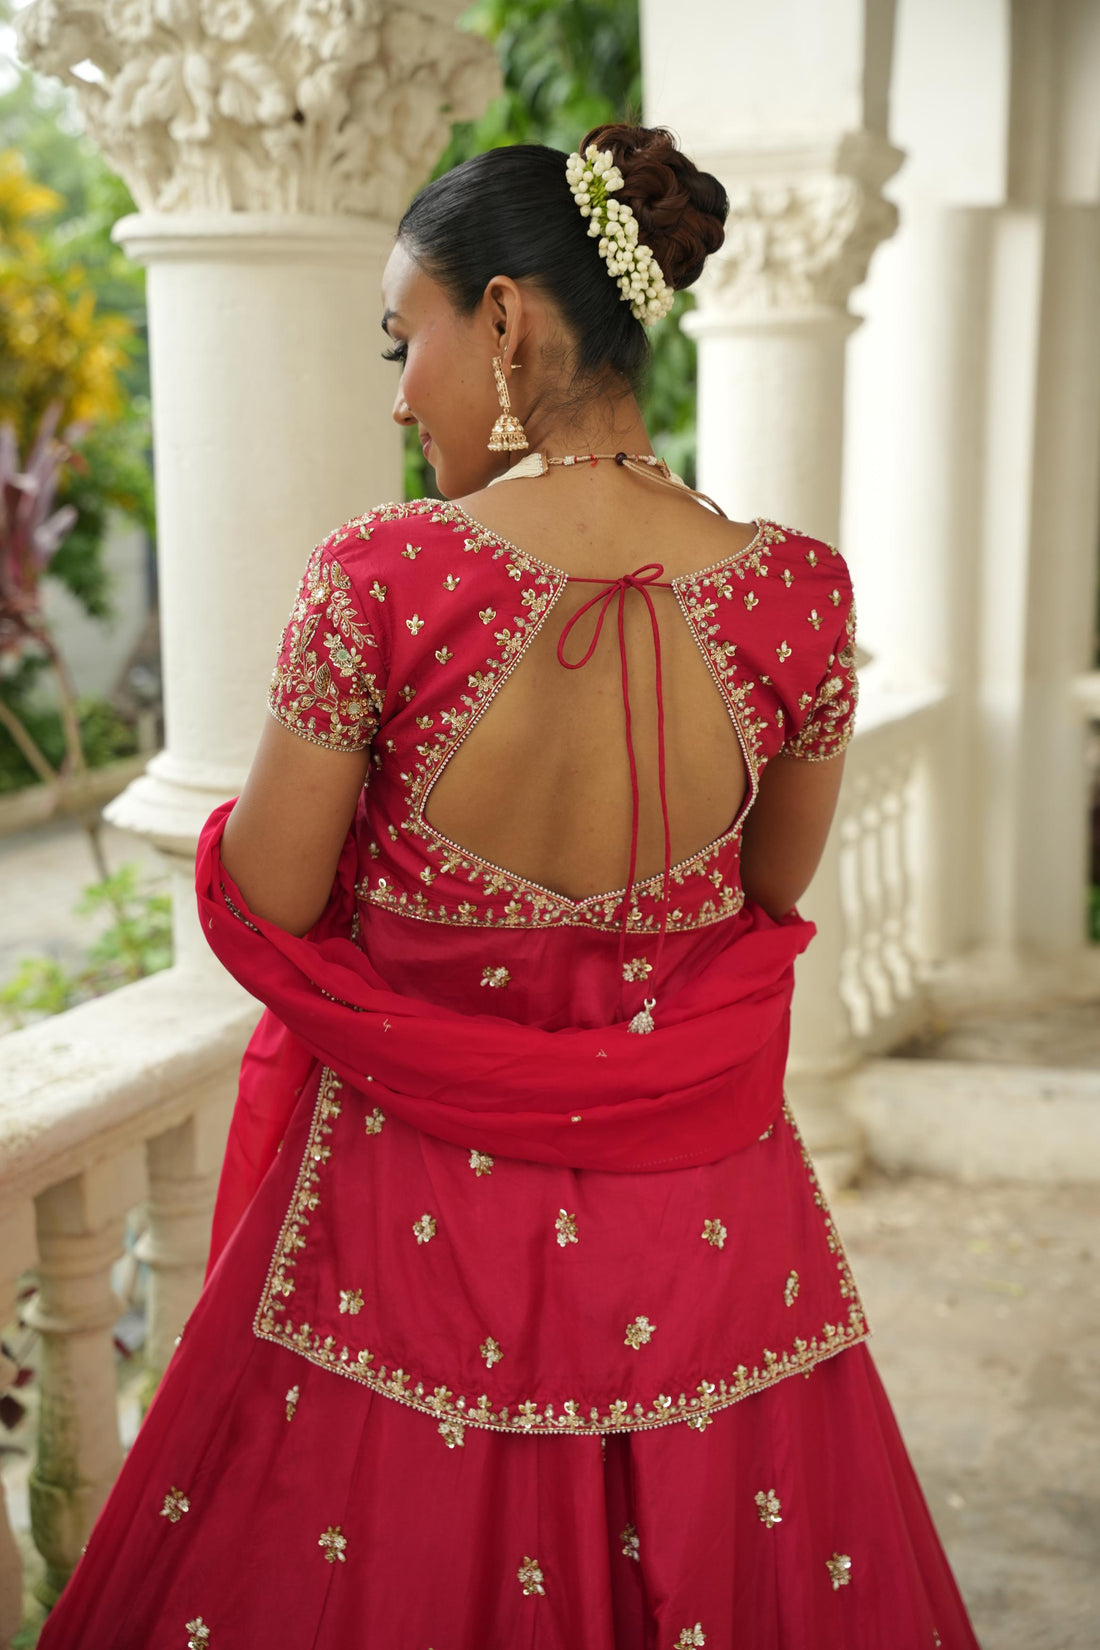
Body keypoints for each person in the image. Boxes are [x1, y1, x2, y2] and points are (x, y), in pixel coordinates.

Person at [37, 125, 980, 1650]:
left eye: (401, 339)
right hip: (703, 1226)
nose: (396, 391)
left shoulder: (380, 579)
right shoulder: (799, 593)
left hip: (402, 1239)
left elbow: (270, 895)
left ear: (504, 319)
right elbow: (772, 887)